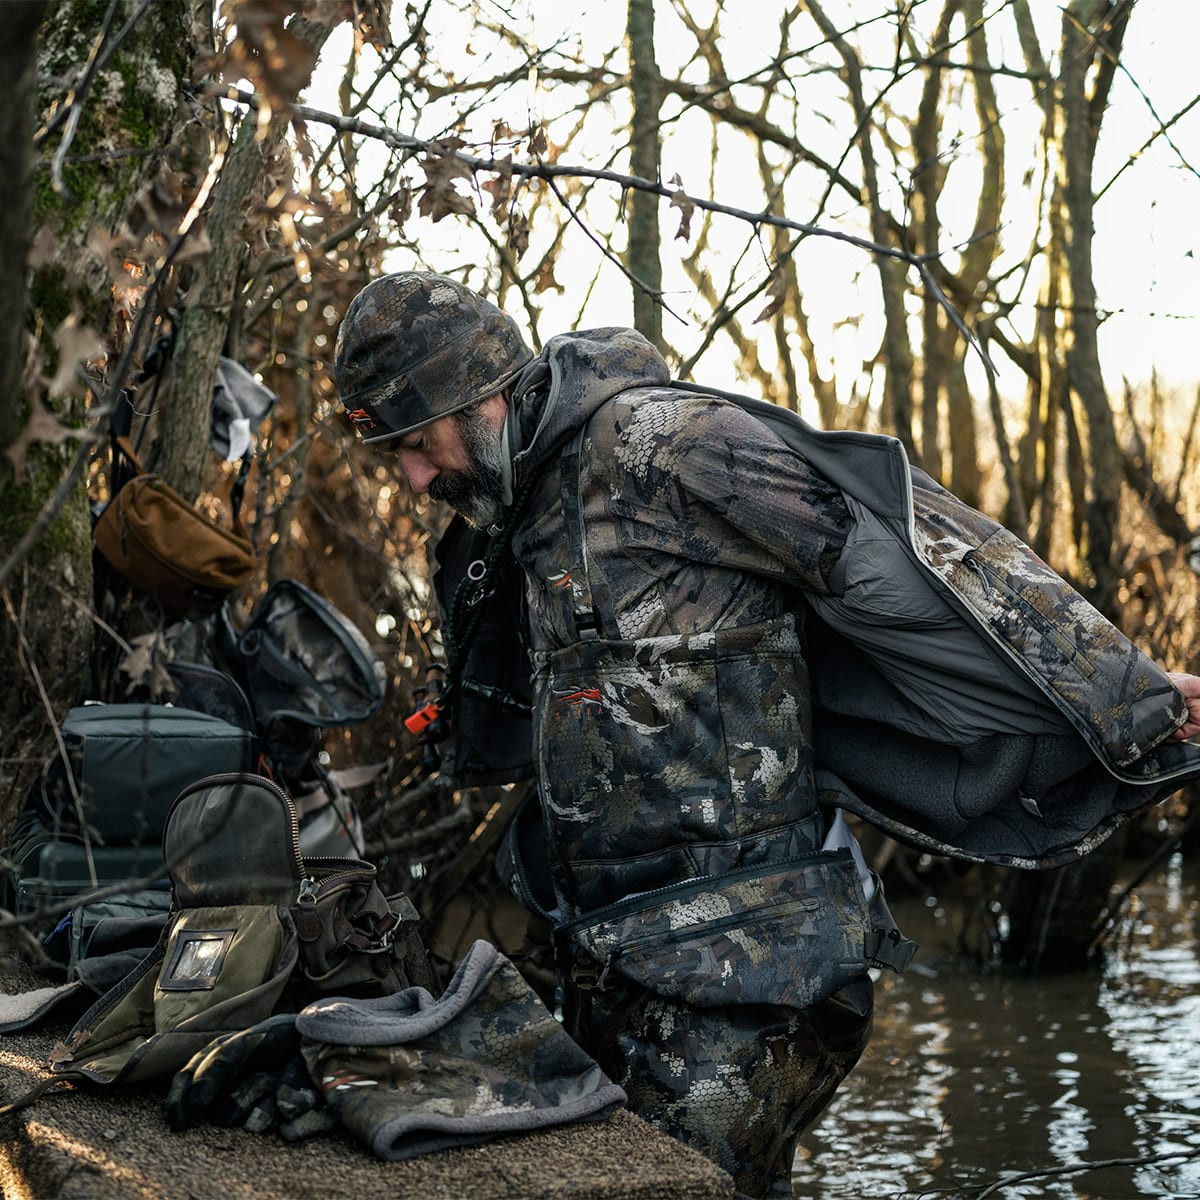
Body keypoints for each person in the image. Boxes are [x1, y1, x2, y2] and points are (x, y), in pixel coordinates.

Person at [334, 271, 1200, 1197]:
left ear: (484, 397)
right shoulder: (525, 512)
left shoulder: (664, 446)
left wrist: (1127, 696)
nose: (416, 479)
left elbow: (911, 558)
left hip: (757, 967)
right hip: (624, 953)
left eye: (419, 446)